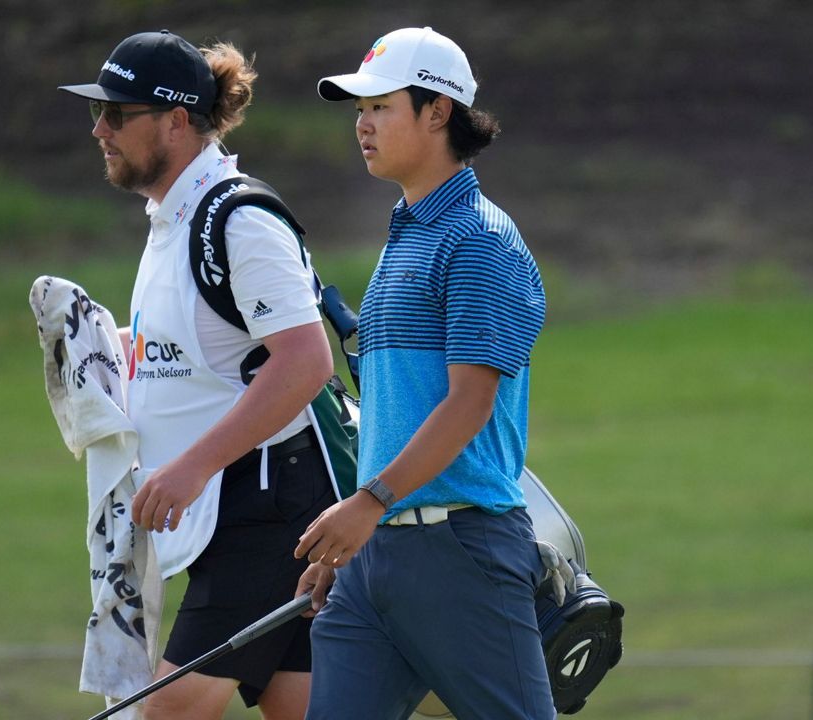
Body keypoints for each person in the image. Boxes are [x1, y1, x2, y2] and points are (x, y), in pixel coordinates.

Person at [58, 30, 336, 720]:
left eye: (118, 115)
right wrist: (109, 349)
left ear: (177, 121)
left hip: (266, 506)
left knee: (169, 711)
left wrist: (192, 467)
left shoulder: (237, 220)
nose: (100, 130)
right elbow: (203, 353)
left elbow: (304, 363)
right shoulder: (173, 220)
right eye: (99, 113)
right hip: (235, 508)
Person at [295, 27, 555, 720]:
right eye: (359, 110)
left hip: (462, 552)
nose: (362, 125)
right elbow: (400, 408)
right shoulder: (409, 231)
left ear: (437, 112)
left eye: (380, 107)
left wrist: (369, 502)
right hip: (378, 559)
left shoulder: (478, 240)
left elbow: (469, 405)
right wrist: (357, 532)